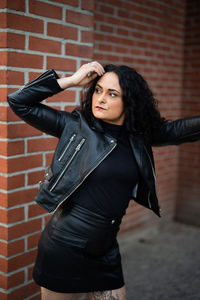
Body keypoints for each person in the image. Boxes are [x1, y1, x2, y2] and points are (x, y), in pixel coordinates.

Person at [7, 61, 200, 300]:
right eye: (98, 90)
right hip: (65, 247)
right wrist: (71, 81)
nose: (101, 98)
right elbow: (19, 101)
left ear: (129, 103)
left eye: (112, 94)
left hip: (106, 249)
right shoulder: (74, 126)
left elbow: (180, 129)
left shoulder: (138, 136)